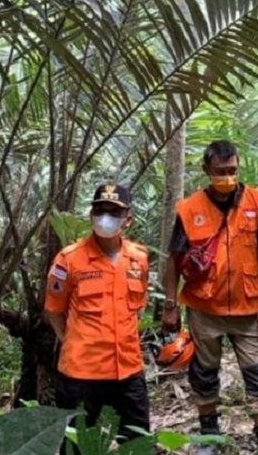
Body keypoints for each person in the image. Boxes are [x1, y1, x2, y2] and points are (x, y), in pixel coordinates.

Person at [163, 140, 258, 454]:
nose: (227, 177)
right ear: (206, 170)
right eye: (220, 172)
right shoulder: (189, 209)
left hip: (247, 305)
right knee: (204, 371)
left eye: (232, 171)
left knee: (257, 371)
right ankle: (208, 433)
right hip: (204, 307)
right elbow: (173, 259)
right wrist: (170, 305)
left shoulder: (257, 200)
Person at [45, 184, 151, 448]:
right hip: (81, 374)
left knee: (138, 443)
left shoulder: (138, 259)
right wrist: (72, 340)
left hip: (128, 370)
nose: (106, 217)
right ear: (91, 214)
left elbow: (136, 308)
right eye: (100, 210)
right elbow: (53, 310)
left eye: (114, 212)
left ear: (128, 219)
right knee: (77, 446)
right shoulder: (68, 260)